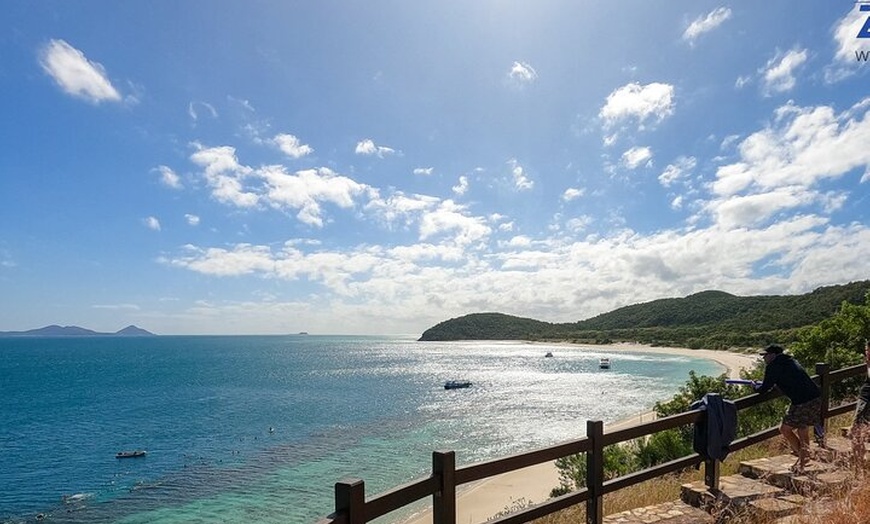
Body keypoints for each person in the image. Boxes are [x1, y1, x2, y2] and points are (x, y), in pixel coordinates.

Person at [754, 344, 822, 473]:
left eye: (765, 355)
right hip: (815, 397)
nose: (764, 358)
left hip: (802, 401)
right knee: (802, 428)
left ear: (773, 355)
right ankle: (803, 459)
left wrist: (755, 387)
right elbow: (788, 378)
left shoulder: (773, 366)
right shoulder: (790, 360)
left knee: (784, 429)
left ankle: (803, 459)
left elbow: (764, 388)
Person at [851, 340, 870, 471]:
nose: (866, 353)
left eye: (867, 351)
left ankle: (859, 466)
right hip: (865, 399)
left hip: (867, 400)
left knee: (856, 432)